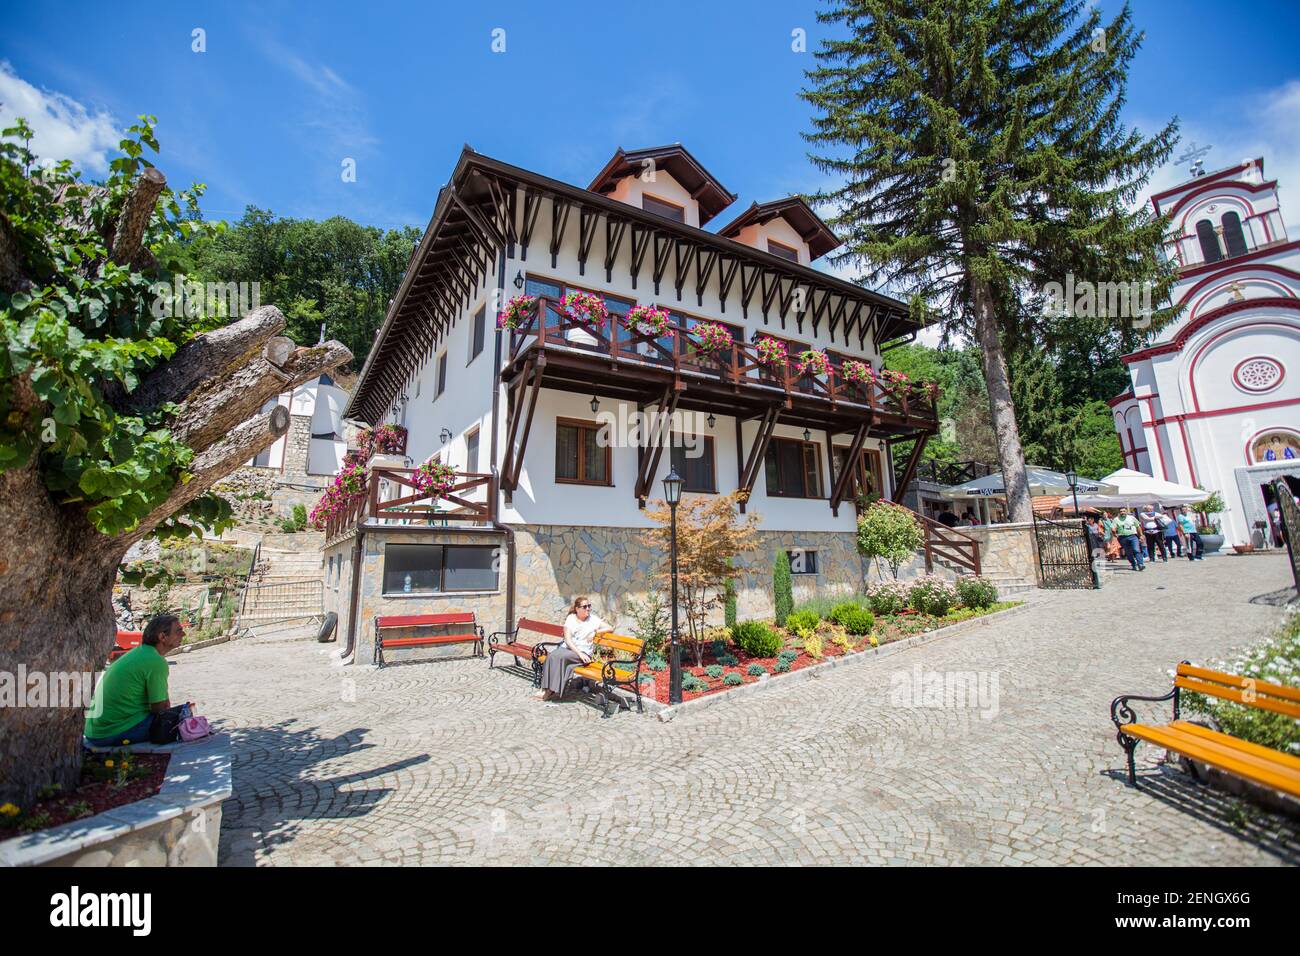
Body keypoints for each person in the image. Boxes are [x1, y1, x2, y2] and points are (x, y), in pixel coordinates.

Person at [85, 613, 192, 746]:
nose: (183, 634)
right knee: (186, 721)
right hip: (110, 732)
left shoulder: (140, 652)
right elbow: (160, 708)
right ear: (162, 637)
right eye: (179, 631)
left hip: (94, 730)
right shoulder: (155, 661)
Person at [536, 596, 614, 702]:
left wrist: (595, 633)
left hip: (584, 652)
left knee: (561, 657)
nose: (588, 609)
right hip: (572, 649)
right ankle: (545, 688)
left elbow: (610, 628)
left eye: (589, 606)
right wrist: (578, 652)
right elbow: (568, 640)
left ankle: (551, 690)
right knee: (552, 656)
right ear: (577, 609)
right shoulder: (571, 618)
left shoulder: (593, 619)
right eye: (585, 606)